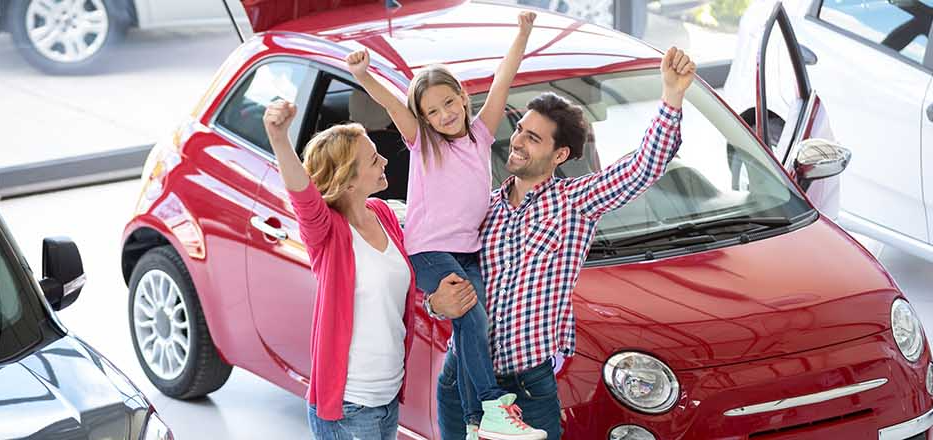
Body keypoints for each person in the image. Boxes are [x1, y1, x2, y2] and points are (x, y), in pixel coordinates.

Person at [428, 47, 699, 440]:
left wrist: (672, 96)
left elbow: (643, 165)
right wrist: (435, 304)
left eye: (533, 138)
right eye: (520, 128)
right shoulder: (480, 206)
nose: (517, 141)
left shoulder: (575, 202)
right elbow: (438, 270)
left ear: (560, 154)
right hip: (462, 379)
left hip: (525, 386)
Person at [346, 10, 546, 440]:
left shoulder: (480, 136)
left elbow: (503, 81)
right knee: (471, 315)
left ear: (461, 97)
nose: (445, 115)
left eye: (449, 103)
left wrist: (523, 33)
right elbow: (392, 105)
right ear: (426, 120)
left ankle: (476, 424)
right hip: (428, 250)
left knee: (476, 326)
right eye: (433, 112)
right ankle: (492, 405)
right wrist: (365, 75)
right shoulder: (424, 145)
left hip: (467, 250)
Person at [262, 102, 475, 440]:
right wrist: (279, 138)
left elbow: (404, 286)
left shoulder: (383, 214)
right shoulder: (328, 234)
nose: (386, 161)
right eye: (374, 159)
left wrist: (436, 305)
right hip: (349, 407)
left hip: (387, 399)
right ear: (348, 181)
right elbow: (303, 197)